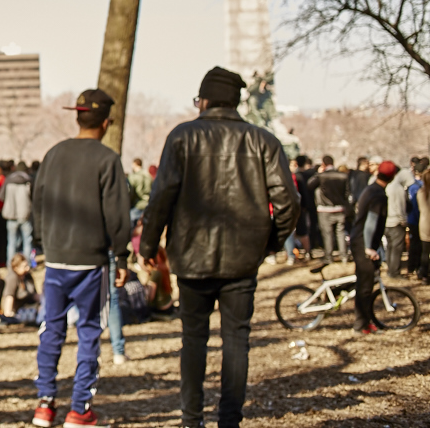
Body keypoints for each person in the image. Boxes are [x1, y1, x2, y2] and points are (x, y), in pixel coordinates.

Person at [139, 67, 298, 428]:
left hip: (192, 257)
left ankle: (191, 419)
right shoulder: (263, 140)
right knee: (236, 341)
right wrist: (268, 243)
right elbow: (288, 202)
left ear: (206, 100)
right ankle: (230, 420)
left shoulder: (182, 137)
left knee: (193, 339)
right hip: (243, 259)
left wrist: (149, 244)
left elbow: (161, 197)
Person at [32, 88, 131, 428]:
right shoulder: (108, 159)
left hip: (57, 258)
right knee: (89, 331)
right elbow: (118, 215)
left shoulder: (54, 154)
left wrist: (41, 243)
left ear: (77, 117)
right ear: (106, 122)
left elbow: (39, 201)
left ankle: (44, 404)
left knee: (51, 329)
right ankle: (79, 409)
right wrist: (122, 256)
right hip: (91, 261)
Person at [352, 160, 396, 334]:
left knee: (365, 283)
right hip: (363, 242)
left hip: (358, 239)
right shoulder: (378, 195)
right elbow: (371, 221)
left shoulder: (370, 189)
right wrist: (370, 248)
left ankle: (365, 321)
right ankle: (361, 324)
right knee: (364, 285)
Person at [309, 155, 352, 262]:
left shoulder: (322, 176)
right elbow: (347, 193)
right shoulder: (343, 176)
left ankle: (328, 256)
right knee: (340, 233)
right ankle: (343, 256)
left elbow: (309, 185)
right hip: (339, 208)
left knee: (327, 234)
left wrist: (318, 173)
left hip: (325, 209)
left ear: (323, 164)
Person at [2, 161, 33, 265]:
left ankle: (10, 266)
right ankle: (26, 265)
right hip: (25, 214)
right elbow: (34, 198)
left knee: (11, 242)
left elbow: (1, 196)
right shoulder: (28, 180)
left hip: (11, 215)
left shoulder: (8, 180)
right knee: (27, 241)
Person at [0, 252, 40, 323]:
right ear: (16, 268)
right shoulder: (12, 278)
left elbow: (34, 295)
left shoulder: (28, 276)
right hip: (18, 311)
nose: (27, 268)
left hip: (30, 306)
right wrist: (8, 314)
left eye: (27, 265)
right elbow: (9, 297)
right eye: (24, 266)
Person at [384, 165, 408, 280]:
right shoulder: (397, 187)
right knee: (396, 248)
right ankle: (394, 272)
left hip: (387, 221)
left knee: (390, 247)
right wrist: (404, 221)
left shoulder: (386, 186)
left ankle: (390, 268)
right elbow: (401, 207)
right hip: (395, 222)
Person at [126, 158, 152, 226]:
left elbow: (130, 193)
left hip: (137, 204)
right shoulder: (148, 175)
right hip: (148, 203)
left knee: (130, 226)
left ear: (134, 164)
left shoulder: (133, 177)